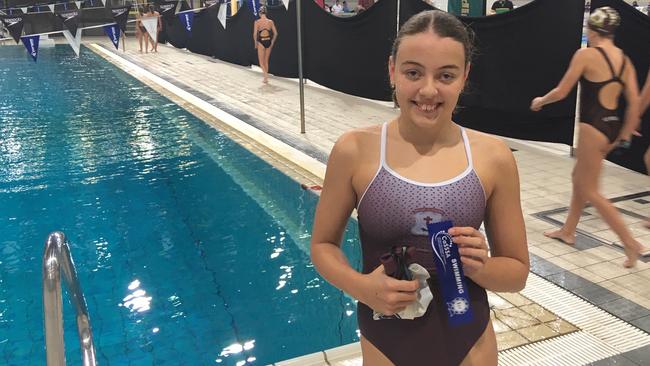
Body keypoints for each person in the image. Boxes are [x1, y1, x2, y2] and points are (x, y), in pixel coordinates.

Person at [311, 10, 529, 366]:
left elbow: (517, 272)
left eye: (446, 75)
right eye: (413, 72)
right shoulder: (355, 150)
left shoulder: (493, 157)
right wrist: (361, 287)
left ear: (465, 77)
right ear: (392, 70)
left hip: (469, 342)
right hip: (387, 342)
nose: (429, 90)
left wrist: (480, 267)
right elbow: (322, 246)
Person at [530, 7, 643, 268]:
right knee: (579, 179)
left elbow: (562, 91)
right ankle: (568, 230)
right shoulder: (623, 59)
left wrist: (540, 101)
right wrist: (626, 131)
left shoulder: (586, 55)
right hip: (612, 128)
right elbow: (635, 101)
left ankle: (630, 243)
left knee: (591, 190)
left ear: (592, 30)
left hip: (593, 127)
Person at [252, 6, 278, 84]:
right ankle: (265, 78)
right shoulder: (270, 22)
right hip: (268, 41)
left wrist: (255, 43)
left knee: (261, 62)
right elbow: (276, 33)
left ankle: (266, 77)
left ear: (260, 13)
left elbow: (254, 34)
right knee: (266, 61)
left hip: (261, 42)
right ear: (266, 13)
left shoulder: (257, 22)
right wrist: (272, 42)